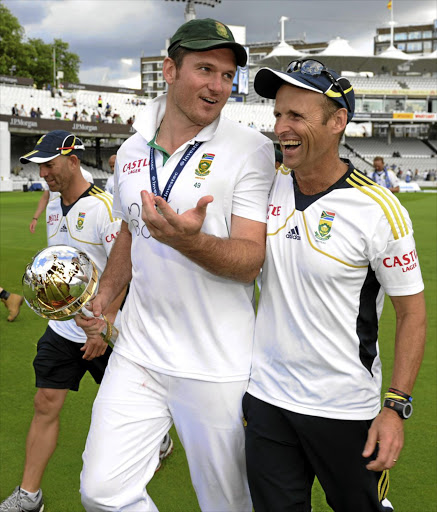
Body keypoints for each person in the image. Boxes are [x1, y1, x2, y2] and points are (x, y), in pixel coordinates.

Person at [77, 17, 274, 512]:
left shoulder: (251, 149)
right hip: (139, 353)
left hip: (217, 364)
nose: (217, 86)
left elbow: (250, 260)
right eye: (205, 69)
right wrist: (105, 298)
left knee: (231, 505)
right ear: (168, 69)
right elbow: (128, 231)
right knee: (102, 492)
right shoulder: (129, 150)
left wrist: (190, 242)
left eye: (227, 75)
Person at [243, 59, 426, 512]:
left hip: (345, 408)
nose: (282, 127)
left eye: (297, 116)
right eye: (278, 115)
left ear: (337, 121)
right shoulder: (267, 187)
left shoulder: (378, 208)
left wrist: (395, 406)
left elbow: (412, 313)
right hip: (267, 399)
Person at [0, 130, 124, 512]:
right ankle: (29, 495)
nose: (44, 174)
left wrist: (105, 325)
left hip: (106, 332)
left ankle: (159, 440)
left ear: (73, 160)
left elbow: (125, 271)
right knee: (44, 403)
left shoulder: (105, 208)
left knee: (122, 409)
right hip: (62, 331)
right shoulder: (53, 205)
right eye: (40, 167)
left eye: (49, 165)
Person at [29, 167, 94, 234]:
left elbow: (88, 200)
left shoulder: (86, 175)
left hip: (75, 217)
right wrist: (35, 218)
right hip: (54, 217)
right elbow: (45, 197)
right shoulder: (51, 174)